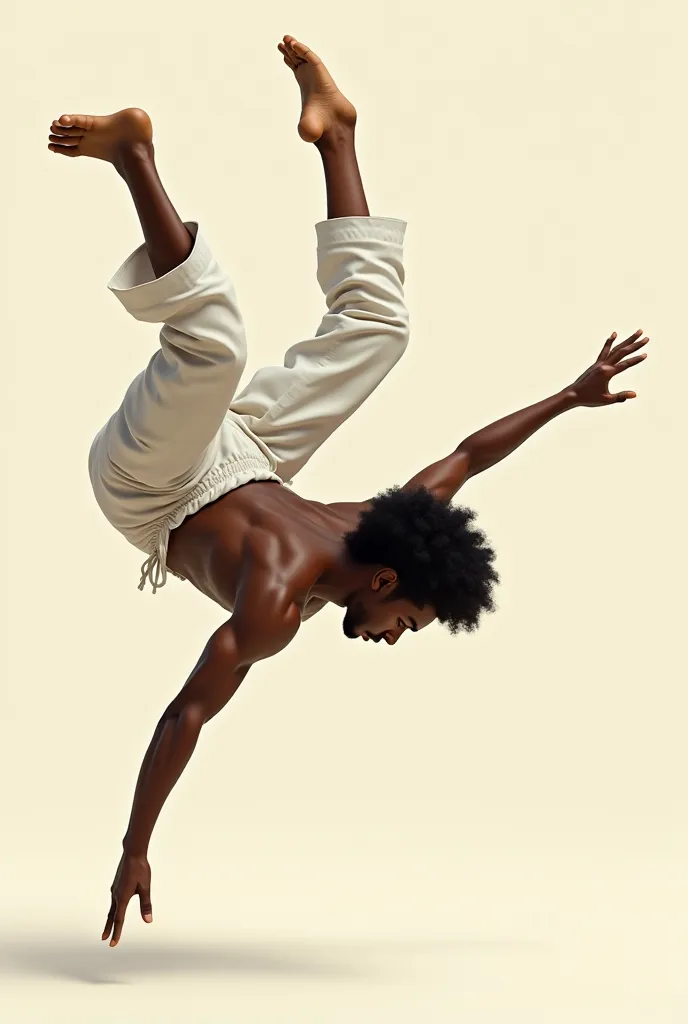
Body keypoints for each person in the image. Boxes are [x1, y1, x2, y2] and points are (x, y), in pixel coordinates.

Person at [48, 36, 648, 947]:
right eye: (410, 621)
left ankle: (236, 154)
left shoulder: (356, 537)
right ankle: (289, 140)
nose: (398, 638)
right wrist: (135, 846)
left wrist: (570, 396)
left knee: (266, 349)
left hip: (200, 474)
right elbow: (187, 714)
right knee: (352, 332)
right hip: (175, 479)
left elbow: (468, 457)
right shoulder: (287, 599)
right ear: (381, 582)